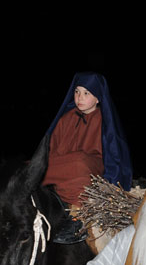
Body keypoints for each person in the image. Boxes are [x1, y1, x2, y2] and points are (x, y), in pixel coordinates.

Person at [43, 72, 133, 250]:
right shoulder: (65, 119)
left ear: (98, 98)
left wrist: (113, 183)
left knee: (79, 162)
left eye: (86, 93)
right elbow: (51, 150)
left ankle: (77, 217)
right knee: (36, 165)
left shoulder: (105, 120)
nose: (79, 98)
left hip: (90, 168)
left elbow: (114, 154)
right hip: (64, 167)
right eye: (76, 92)